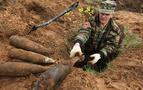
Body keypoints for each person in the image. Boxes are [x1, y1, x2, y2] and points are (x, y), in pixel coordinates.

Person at [70, 0, 124, 72]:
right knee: (75, 65)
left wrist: (100, 55)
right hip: (87, 52)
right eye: (101, 13)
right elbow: (84, 32)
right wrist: (77, 44)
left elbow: (111, 46)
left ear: (111, 15)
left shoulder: (115, 30)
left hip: (101, 56)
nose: (103, 16)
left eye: (107, 14)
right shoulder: (91, 21)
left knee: (99, 70)